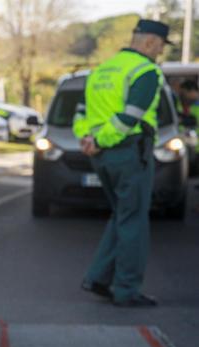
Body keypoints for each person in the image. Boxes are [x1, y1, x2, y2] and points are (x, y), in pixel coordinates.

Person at [72, 19, 172, 307]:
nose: (160, 52)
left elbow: (80, 113)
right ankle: (126, 289)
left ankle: (98, 278)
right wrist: (101, 140)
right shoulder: (145, 71)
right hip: (128, 152)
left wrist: (88, 140)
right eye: (161, 46)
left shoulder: (102, 70)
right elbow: (129, 118)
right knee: (134, 221)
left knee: (122, 217)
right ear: (151, 42)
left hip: (102, 157)